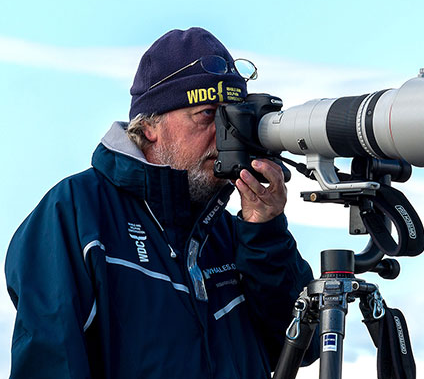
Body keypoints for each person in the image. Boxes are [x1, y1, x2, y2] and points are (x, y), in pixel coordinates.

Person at [5, 27, 317, 378]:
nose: (225, 135)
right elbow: (50, 364)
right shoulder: (76, 212)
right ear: (151, 126)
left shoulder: (233, 234)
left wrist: (266, 233)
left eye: (234, 119)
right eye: (208, 115)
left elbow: (304, 347)